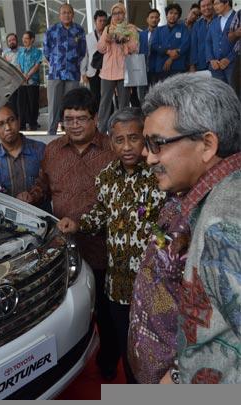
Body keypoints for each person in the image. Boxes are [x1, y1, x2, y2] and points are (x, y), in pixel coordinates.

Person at [140, 74, 241, 384]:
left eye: (157, 144)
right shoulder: (218, 197)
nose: (148, 157)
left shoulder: (221, 226)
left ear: (207, 145)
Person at [57, 107, 165, 384]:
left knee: (155, 354)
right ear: (111, 142)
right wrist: (77, 224)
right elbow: (102, 215)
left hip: (154, 287)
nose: (127, 147)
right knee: (128, 352)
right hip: (117, 286)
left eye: (134, 138)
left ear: (145, 139)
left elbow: (172, 228)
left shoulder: (160, 175)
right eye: (119, 140)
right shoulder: (107, 176)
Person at [17, 87, 119, 380]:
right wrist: (31, 195)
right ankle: (70, 357)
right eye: (68, 119)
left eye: (81, 118)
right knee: (68, 309)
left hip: (105, 250)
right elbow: (43, 186)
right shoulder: (52, 150)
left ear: (95, 119)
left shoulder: (112, 149)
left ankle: (108, 362)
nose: (74, 125)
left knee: (106, 313)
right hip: (66, 250)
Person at [127, 193, 191, 384]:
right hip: (144, 351)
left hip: (170, 365)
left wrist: (177, 371)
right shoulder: (172, 203)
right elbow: (162, 244)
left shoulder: (208, 216)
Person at [0, 104, 46, 200]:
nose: (8, 127)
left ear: (19, 121)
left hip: (39, 209)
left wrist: (34, 195)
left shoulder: (41, 150)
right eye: (0, 124)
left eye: (11, 120)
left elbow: (54, 186)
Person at [43, 4, 86, 136]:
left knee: (71, 105)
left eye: (69, 12)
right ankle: (51, 133)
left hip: (73, 73)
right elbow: (46, 51)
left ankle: (70, 133)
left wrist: (73, 61)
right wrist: (56, 62)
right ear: (59, 15)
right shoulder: (52, 30)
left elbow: (82, 51)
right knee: (54, 105)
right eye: (64, 13)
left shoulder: (79, 30)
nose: (67, 15)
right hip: (55, 73)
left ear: (73, 14)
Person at [96, 3, 139, 133]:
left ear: (124, 14)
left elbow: (134, 48)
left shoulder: (131, 29)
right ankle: (101, 132)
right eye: (114, 13)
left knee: (124, 103)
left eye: (120, 13)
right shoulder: (108, 28)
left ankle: (122, 130)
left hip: (124, 71)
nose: (117, 16)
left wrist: (124, 40)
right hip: (107, 71)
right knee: (104, 102)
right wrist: (107, 39)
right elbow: (100, 48)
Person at [150, 3, 190, 83]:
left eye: (176, 13)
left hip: (178, 66)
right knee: (162, 90)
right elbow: (154, 45)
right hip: (161, 66)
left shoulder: (183, 29)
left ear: (178, 16)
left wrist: (171, 58)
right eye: (171, 13)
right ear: (166, 15)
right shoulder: (159, 30)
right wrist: (168, 51)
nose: (173, 15)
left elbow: (185, 45)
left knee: (178, 89)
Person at [81, 9, 108, 106]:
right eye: (100, 21)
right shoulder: (87, 37)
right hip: (92, 71)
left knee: (106, 96)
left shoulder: (109, 36)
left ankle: (109, 114)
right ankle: (97, 115)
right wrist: (83, 72)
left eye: (104, 21)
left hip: (106, 70)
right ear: (95, 21)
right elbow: (85, 56)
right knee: (95, 96)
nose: (102, 23)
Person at [16, 31, 43, 131]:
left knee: (33, 104)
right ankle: (22, 124)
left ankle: (33, 124)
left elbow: (37, 65)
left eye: (26, 38)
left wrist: (27, 76)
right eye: (23, 38)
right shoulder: (20, 52)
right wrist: (22, 76)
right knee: (21, 104)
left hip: (33, 82)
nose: (24, 40)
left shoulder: (37, 52)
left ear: (32, 39)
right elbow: (18, 65)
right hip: (22, 82)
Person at [206, 0, 236, 86]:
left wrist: (229, 59)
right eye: (214, 4)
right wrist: (211, 59)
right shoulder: (214, 21)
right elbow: (208, 41)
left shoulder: (237, 18)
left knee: (235, 92)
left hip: (234, 65)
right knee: (219, 92)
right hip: (216, 67)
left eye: (217, 3)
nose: (214, 7)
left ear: (226, 3)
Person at [137, 8, 161, 103]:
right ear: (147, 19)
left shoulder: (162, 33)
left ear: (159, 19)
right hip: (142, 68)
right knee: (142, 95)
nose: (154, 19)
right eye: (152, 17)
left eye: (156, 17)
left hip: (156, 69)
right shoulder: (141, 34)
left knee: (156, 95)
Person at [189, 0, 215, 73]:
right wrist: (192, 65)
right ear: (200, 9)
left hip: (217, 63)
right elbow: (193, 46)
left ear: (213, 5)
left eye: (208, 5)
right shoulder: (197, 25)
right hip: (201, 64)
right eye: (203, 6)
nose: (206, 8)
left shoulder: (220, 20)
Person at [2, 33, 21, 110]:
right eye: (9, 41)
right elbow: (3, 66)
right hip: (11, 81)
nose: (11, 42)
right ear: (7, 43)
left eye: (13, 40)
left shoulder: (22, 51)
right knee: (13, 102)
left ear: (16, 40)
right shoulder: (5, 53)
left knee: (22, 101)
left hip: (22, 79)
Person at [227, 8, 241, 98]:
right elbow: (230, 37)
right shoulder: (239, 13)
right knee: (237, 89)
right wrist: (236, 33)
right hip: (239, 56)